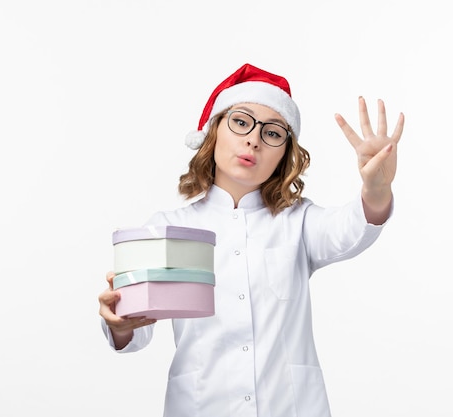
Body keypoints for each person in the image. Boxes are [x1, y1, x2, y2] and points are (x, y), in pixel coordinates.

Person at [98, 63, 404, 417]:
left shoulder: (299, 222)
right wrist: (119, 324)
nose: (254, 140)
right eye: (241, 122)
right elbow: (135, 328)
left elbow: (351, 228)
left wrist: (377, 188)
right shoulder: (169, 228)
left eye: (273, 133)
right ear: (213, 131)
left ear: (284, 154)